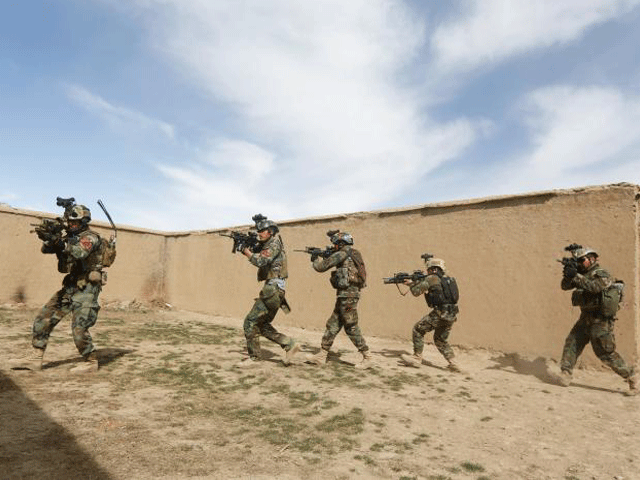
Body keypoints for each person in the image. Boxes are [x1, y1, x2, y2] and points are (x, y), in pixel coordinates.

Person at [9, 203, 110, 373]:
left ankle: (90, 360)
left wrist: (61, 243)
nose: (71, 225)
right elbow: (46, 249)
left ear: (84, 222)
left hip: (87, 289)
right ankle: (35, 358)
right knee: (44, 318)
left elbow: (79, 252)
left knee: (79, 328)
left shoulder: (91, 237)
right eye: (70, 222)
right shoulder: (69, 237)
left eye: (75, 222)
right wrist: (50, 239)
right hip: (70, 286)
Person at [557, 246, 638, 395]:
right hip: (585, 317)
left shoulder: (601, 274)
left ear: (592, 259)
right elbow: (564, 286)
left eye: (582, 260)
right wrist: (568, 275)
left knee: (605, 353)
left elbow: (594, 287)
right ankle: (566, 373)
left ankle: (632, 377)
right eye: (578, 261)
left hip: (600, 321)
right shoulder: (581, 274)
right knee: (572, 342)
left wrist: (576, 276)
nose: (580, 263)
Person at [237, 215, 300, 366]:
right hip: (275, 289)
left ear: (271, 232)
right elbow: (261, 255)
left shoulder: (273, 244)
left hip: (272, 288)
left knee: (250, 322)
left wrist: (247, 252)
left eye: (262, 231)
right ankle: (289, 344)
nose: (259, 233)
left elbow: (261, 261)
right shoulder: (271, 244)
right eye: (258, 231)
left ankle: (254, 358)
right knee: (262, 325)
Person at [306, 230, 372, 369]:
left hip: (348, 296)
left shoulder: (342, 254)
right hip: (345, 295)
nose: (334, 246)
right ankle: (322, 355)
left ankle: (367, 356)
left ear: (340, 243)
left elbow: (320, 267)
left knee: (350, 325)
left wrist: (315, 258)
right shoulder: (354, 253)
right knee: (333, 324)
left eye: (335, 244)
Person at [400, 256, 461, 372]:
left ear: (434, 270)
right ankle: (453, 363)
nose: (427, 272)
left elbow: (416, 292)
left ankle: (416, 358)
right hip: (451, 314)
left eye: (428, 270)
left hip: (440, 313)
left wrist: (411, 284)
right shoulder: (448, 279)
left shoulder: (432, 278)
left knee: (418, 329)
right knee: (440, 339)